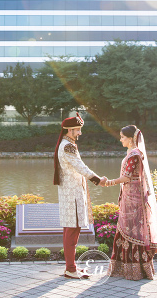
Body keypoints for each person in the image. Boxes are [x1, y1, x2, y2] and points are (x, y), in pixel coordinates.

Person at [101, 125, 157, 280]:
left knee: (133, 229)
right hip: (130, 195)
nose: (120, 139)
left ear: (131, 139)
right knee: (129, 228)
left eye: (123, 137)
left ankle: (135, 270)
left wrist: (108, 182)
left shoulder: (134, 154)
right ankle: (128, 269)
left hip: (133, 198)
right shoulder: (132, 153)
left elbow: (127, 177)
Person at [53, 112, 107, 279]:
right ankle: (70, 269)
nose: (80, 133)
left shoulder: (66, 144)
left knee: (71, 230)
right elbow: (80, 166)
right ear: (69, 130)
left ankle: (71, 267)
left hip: (70, 192)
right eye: (77, 130)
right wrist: (98, 179)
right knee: (72, 231)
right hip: (72, 194)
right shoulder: (68, 146)